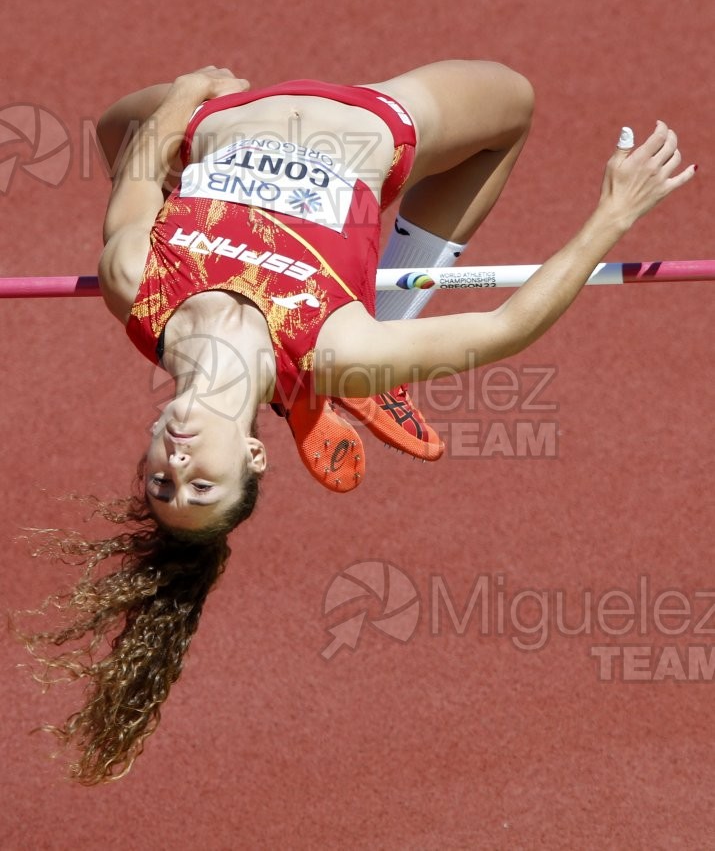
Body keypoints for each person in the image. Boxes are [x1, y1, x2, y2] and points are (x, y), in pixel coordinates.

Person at [22, 61, 695, 784]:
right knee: (511, 105)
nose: (180, 468)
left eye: (162, 481)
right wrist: (614, 213)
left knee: (118, 125)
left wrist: (187, 95)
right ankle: (361, 350)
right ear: (253, 456)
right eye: (202, 486)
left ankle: (306, 394)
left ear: (150, 448)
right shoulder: (338, 347)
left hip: (222, 120)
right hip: (373, 121)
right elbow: (507, 325)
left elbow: (135, 179)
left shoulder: (135, 290)